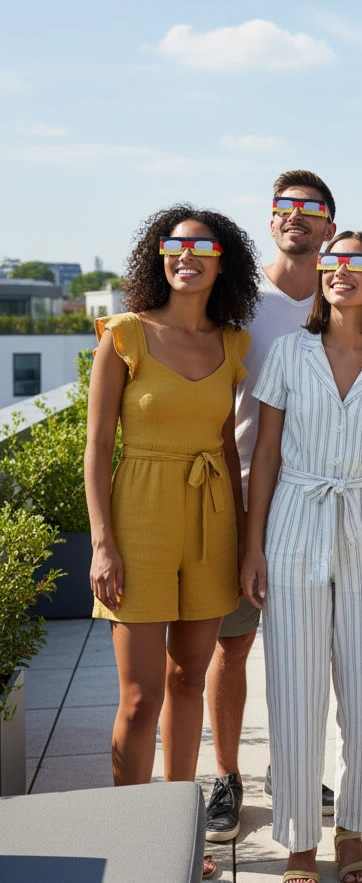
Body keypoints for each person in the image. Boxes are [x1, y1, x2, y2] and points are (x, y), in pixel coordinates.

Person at [241, 230, 362, 883]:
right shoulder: (289, 351)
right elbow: (264, 453)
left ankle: (354, 830)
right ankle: (297, 840)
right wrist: (253, 544)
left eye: (358, 262)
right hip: (294, 520)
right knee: (293, 688)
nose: (342, 271)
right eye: (333, 261)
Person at [85, 209, 259, 803]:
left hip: (210, 519)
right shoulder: (125, 334)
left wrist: (243, 544)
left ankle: (178, 828)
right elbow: (99, 446)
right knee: (140, 695)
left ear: (222, 261)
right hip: (139, 514)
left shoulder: (234, 342)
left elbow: (226, 449)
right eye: (174, 245)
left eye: (201, 247)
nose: (186, 256)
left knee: (189, 678)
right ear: (158, 256)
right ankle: (131, 830)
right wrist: (102, 544)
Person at [204, 170, 337, 849]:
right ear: (272, 221)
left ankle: (296, 769)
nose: (298, 217)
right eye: (287, 208)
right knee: (233, 644)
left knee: (304, 648)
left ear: (330, 229)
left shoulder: (342, 301)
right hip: (238, 495)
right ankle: (225, 776)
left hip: (313, 503)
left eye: (312, 210)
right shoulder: (237, 304)